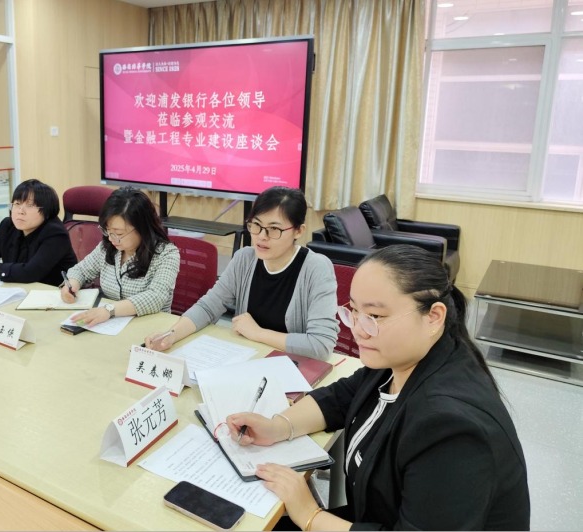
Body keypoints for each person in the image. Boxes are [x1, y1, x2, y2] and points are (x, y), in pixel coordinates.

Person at [225, 244, 530, 531]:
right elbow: (341, 397)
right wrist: (277, 426)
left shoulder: (450, 428)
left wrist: (310, 515)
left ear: (434, 317)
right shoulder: (401, 358)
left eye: (375, 316)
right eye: (354, 311)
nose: (358, 330)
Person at [145, 186, 338, 360]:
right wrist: (171, 335)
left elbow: (321, 345)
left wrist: (258, 333)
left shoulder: (316, 268)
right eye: (256, 225)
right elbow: (208, 307)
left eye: (274, 229)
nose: (261, 236)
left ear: (298, 231)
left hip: (291, 367)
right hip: (246, 359)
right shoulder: (244, 259)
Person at [60, 187, 179, 326]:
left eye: (119, 233)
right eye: (107, 231)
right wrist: (72, 285)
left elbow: (155, 297)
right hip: (110, 325)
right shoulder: (107, 247)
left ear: (142, 228)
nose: (111, 238)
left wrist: (109, 310)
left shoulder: (166, 254)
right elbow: (81, 270)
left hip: (150, 326)